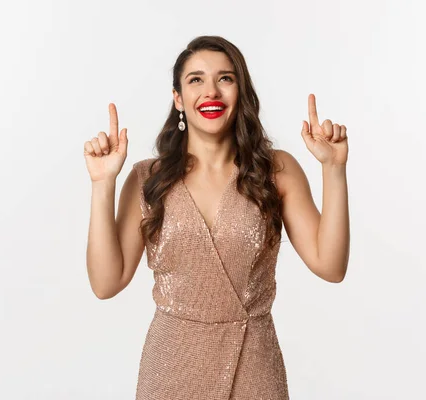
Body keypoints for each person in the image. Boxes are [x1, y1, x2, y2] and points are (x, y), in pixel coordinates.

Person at [83, 35, 350, 400]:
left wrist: (334, 169)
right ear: (178, 97)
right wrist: (102, 184)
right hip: (171, 371)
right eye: (195, 80)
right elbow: (105, 283)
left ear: (241, 91)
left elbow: (331, 266)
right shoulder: (149, 178)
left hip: (254, 368)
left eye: (225, 78)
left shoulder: (275, 170)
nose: (211, 91)